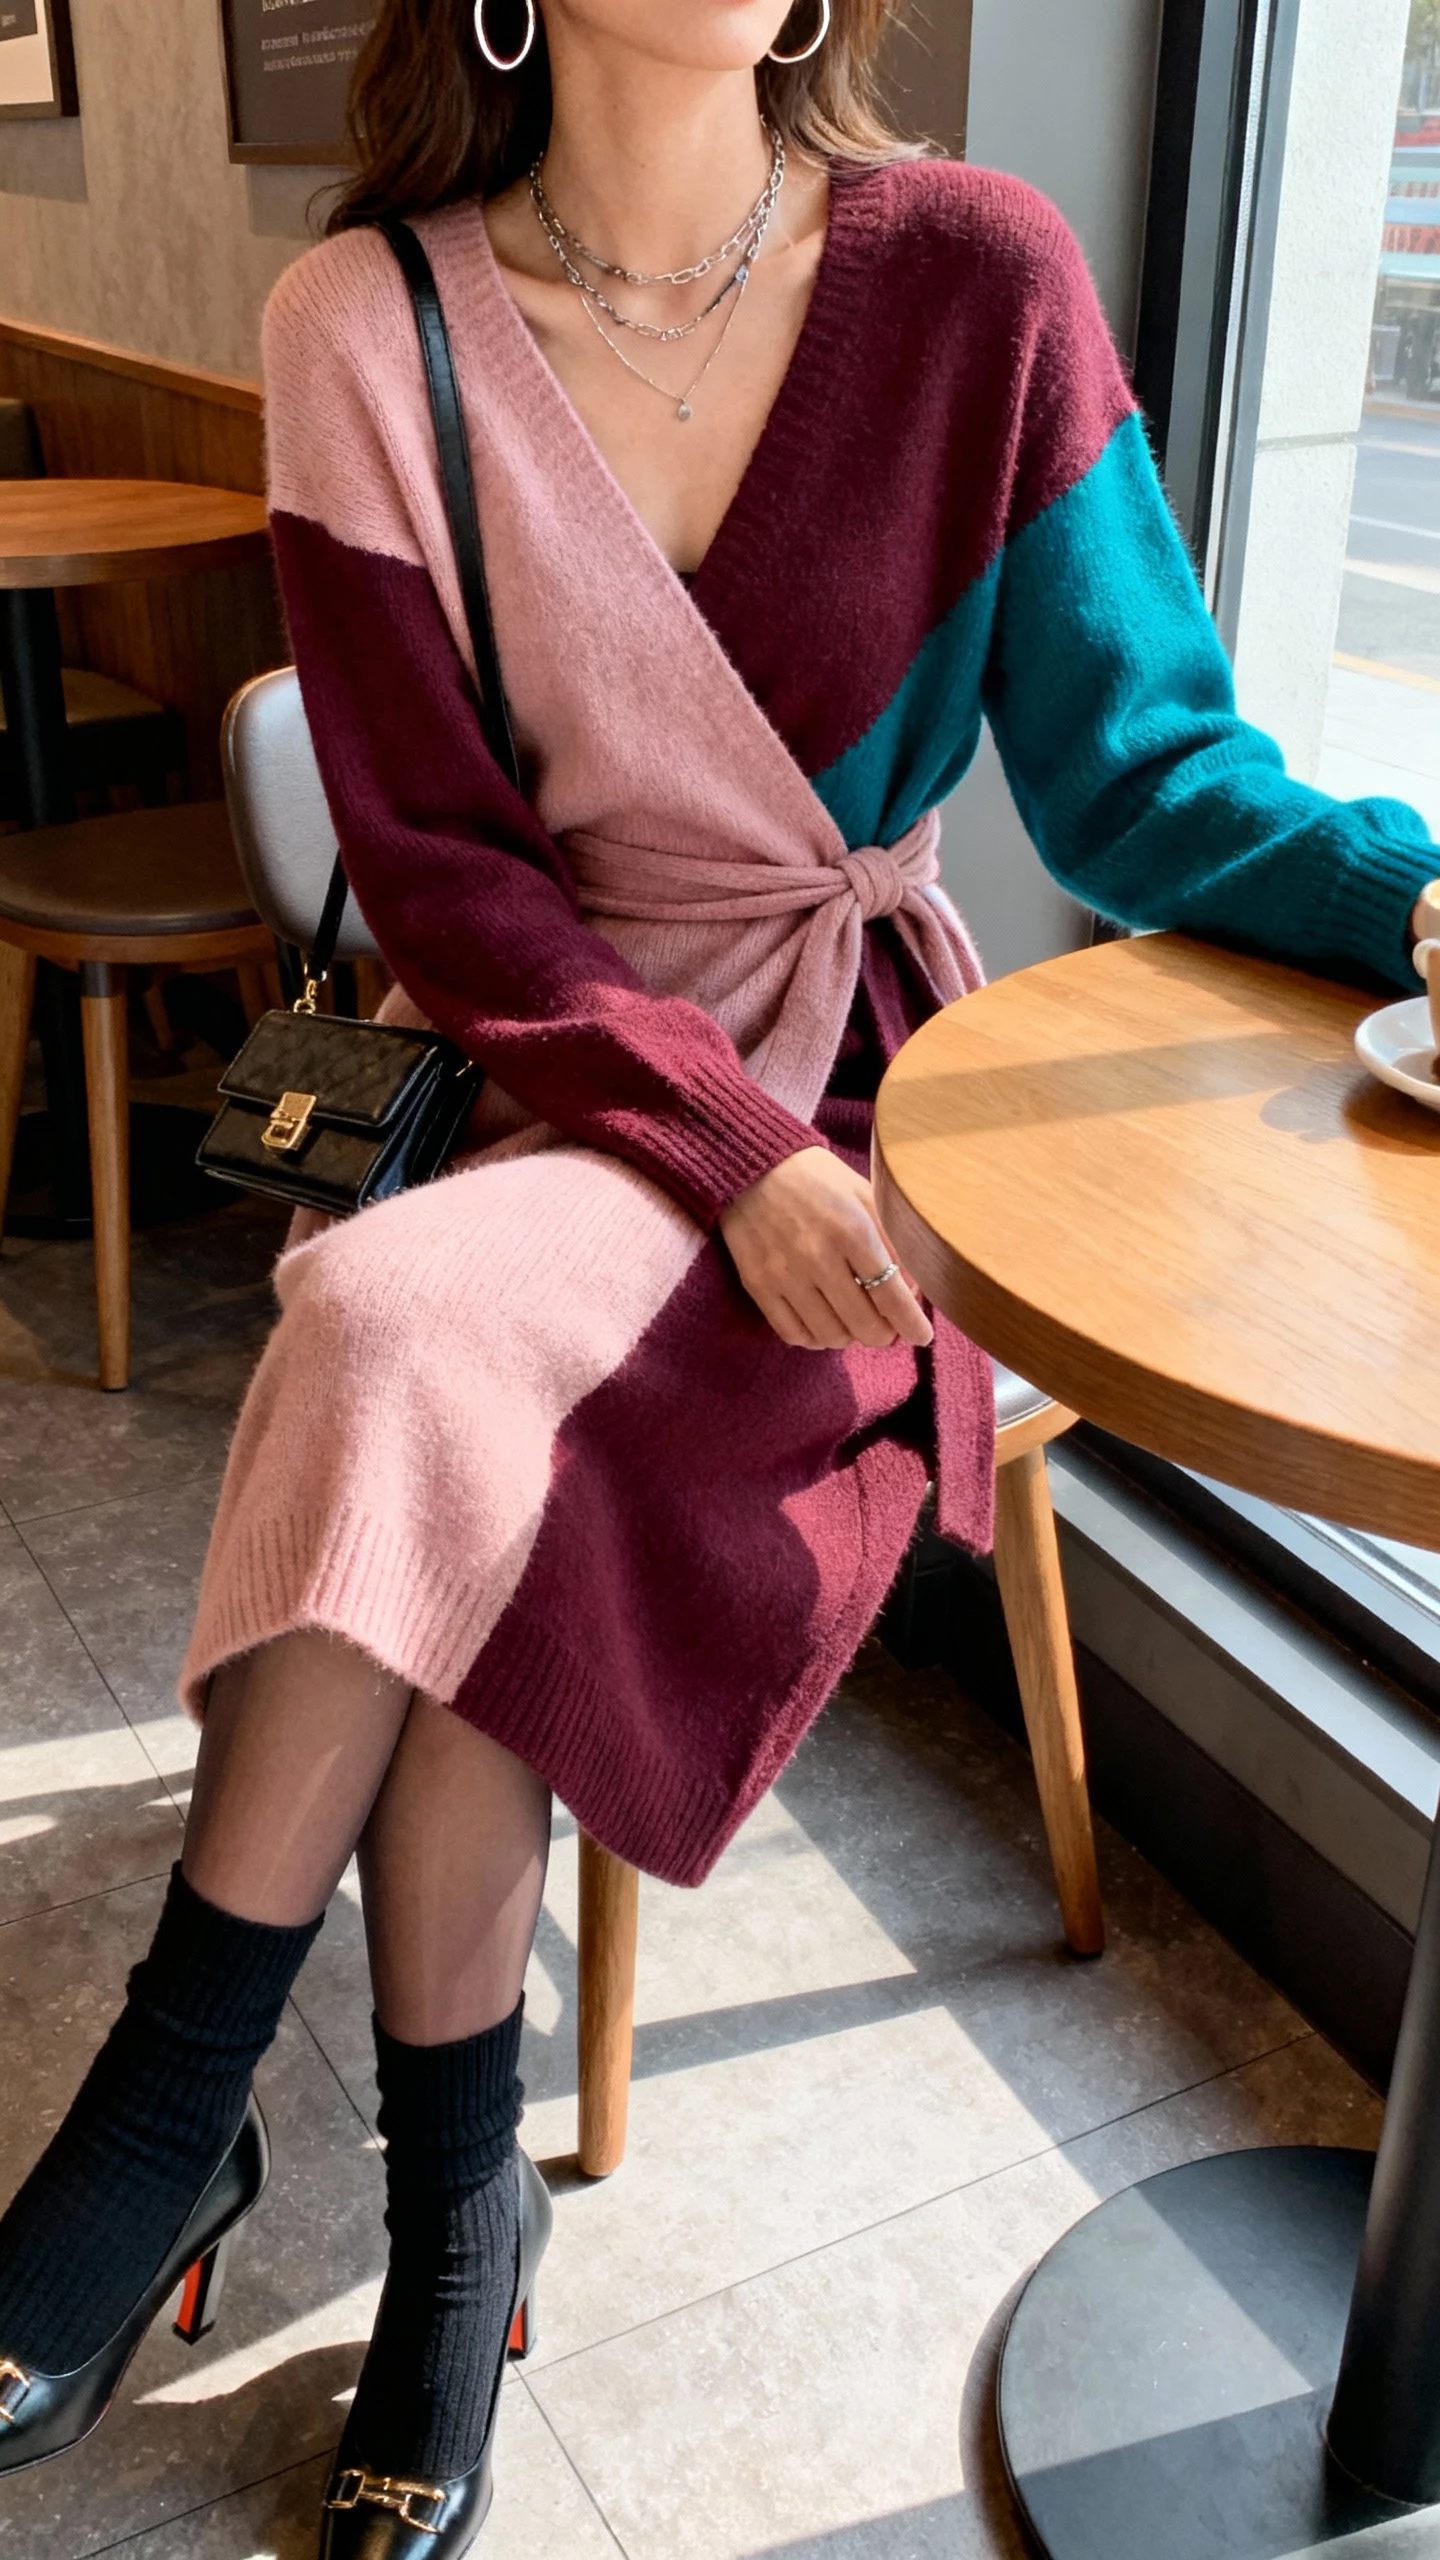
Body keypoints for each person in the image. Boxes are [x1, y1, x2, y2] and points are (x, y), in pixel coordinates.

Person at [1, 0, 1436, 2552]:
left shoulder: (979, 275)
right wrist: (704, 1134)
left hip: (867, 1107)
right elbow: (441, 872)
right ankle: (452, 2225)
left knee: (408, 1356)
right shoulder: (368, 325)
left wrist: (1419, 897)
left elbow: (1148, 775)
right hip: (545, 1059)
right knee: (439, 1377)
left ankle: (182, 2124)